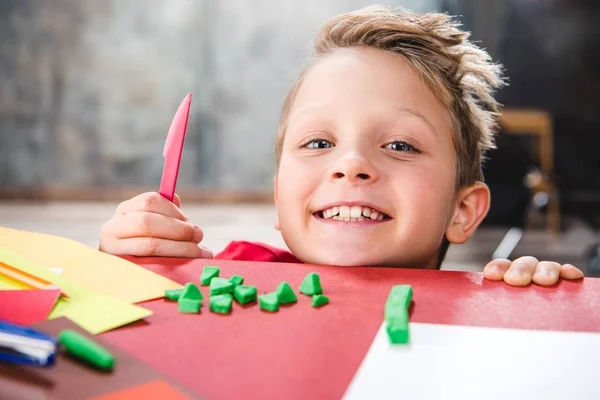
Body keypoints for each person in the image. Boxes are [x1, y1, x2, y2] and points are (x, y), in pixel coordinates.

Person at [99, 6, 583, 287]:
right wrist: (126, 270)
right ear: (280, 194)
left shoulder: (491, 306)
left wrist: (536, 309)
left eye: (399, 144)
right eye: (318, 142)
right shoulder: (218, 276)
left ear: (462, 210)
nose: (351, 164)